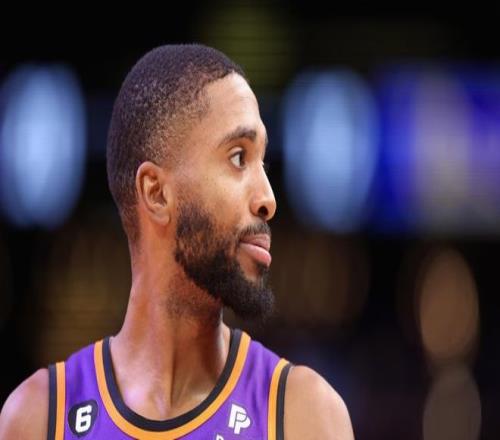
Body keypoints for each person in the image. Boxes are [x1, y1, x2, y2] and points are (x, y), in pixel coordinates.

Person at [0, 44, 354, 439]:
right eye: (239, 157)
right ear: (156, 193)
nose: (268, 198)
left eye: (263, 162)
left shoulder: (304, 414)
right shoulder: (38, 417)